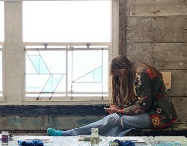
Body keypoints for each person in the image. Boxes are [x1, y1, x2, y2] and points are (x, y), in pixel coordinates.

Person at [48, 56, 177, 137]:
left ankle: (69, 134)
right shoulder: (137, 71)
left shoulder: (141, 74)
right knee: (116, 124)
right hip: (152, 114)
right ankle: (73, 134)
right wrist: (121, 108)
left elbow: (143, 105)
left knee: (115, 120)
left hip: (159, 117)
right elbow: (140, 100)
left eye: (118, 74)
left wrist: (120, 111)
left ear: (123, 69)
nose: (118, 78)